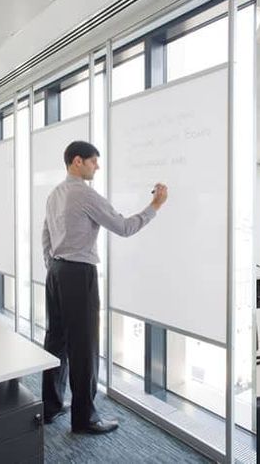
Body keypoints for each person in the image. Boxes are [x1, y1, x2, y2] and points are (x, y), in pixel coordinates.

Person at [41, 140, 168, 434]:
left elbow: (45, 234)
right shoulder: (84, 194)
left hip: (57, 272)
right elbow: (123, 228)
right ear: (77, 161)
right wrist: (155, 206)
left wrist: (53, 267)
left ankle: (50, 406)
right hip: (78, 273)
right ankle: (85, 419)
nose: (97, 166)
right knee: (84, 346)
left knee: (56, 340)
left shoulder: (55, 193)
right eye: (93, 161)